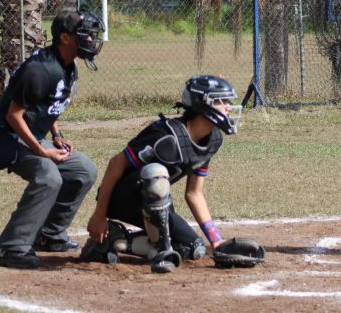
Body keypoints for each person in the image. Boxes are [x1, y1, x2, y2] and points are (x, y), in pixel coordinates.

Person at [81, 75, 242, 273]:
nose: (228, 107)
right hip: (122, 198)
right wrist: (99, 214)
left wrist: (216, 240)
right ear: (202, 105)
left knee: (192, 248)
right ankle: (161, 248)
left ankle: (114, 241)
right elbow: (116, 164)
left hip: (155, 203)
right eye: (221, 101)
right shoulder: (165, 136)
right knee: (156, 173)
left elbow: (194, 193)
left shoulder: (212, 140)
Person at [0, 10, 105, 269]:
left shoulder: (67, 65)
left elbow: (49, 105)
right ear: (65, 38)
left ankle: (49, 234)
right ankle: (12, 246)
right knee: (49, 176)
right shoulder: (40, 70)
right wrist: (41, 150)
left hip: (30, 135)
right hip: (5, 137)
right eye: (86, 35)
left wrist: (56, 136)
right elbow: (13, 115)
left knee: (84, 169)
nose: (92, 40)